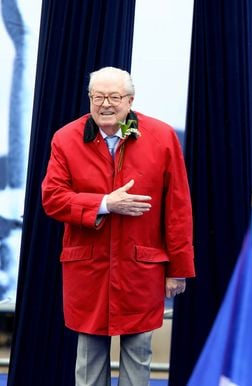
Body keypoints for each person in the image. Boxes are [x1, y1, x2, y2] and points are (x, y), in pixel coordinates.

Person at [41, 66, 195, 385]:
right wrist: (105, 204)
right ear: (89, 99)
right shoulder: (66, 139)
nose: (105, 104)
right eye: (98, 96)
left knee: (138, 355)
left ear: (130, 100)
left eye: (114, 96)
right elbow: (52, 198)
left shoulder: (162, 137)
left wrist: (178, 268)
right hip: (89, 268)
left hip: (141, 268)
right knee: (88, 358)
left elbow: (177, 207)